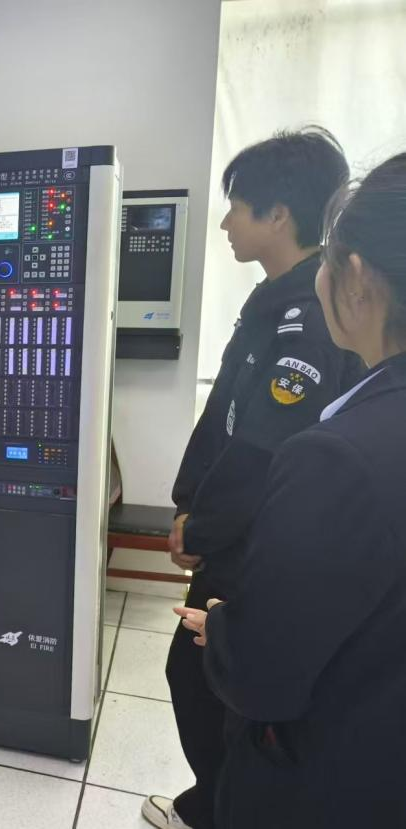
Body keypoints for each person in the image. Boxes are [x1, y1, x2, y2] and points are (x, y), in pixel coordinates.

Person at [174, 152, 406, 828]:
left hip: (329, 773)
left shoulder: (338, 455)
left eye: (235, 208)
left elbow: (264, 674)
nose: (225, 224)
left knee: (200, 683)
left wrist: (224, 620)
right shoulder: (272, 305)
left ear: (357, 278)